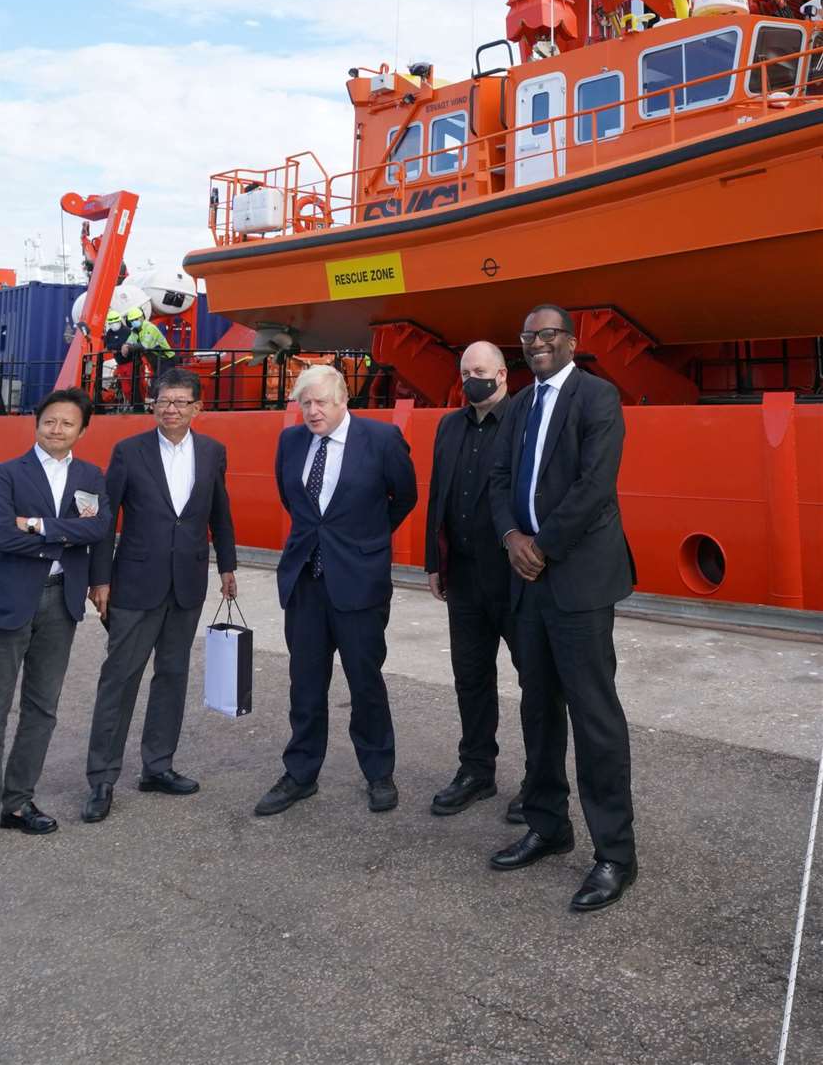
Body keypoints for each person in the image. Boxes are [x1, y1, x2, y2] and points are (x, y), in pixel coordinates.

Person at [488, 305, 637, 912]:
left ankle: (615, 856)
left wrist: (541, 546)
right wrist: (510, 540)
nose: (537, 344)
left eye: (548, 335)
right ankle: (549, 825)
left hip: (577, 580)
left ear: (570, 341)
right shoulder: (519, 406)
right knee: (538, 710)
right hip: (528, 580)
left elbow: (595, 487)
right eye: (528, 336)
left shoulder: (598, 398)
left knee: (594, 716)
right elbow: (500, 480)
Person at [0, 388, 111, 860]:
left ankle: (17, 801)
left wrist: (37, 526)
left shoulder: (90, 476)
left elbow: (98, 531)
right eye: (50, 421)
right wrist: (65, 537)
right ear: (37, 424)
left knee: (42, 708)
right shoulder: (7, 473)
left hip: (62, 602)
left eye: (67, 424)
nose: (57, 430)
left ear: (82, 430)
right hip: (9, 600)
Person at [255, 366, 417, 817]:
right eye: (305, 403)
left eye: (321, 401)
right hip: (306, 580)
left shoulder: (380, 441)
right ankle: (301, 773)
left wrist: (366, 540)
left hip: (358, 581)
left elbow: (403, 496)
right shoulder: (291, 442)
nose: (312, 411)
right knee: (304, 683)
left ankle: (379, 772)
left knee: (365, 681)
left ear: (344, 399)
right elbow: (296, 504)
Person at [82, 368, 237, 821]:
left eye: (181, 402)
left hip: (187, 583)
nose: (171, 409)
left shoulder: (212, 452)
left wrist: (227, 565)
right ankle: (102, 779)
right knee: (120, 678)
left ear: (197, 408)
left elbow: (220, 513)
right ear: (152, 405)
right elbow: (104, 519)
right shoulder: (129, 452)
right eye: (163, 401)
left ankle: (158, 766)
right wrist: (100, 579)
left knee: (172, 675)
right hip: (134, 584)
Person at [424, 341, 529, 823]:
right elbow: (438, 497)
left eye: (480, 371)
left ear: (504, 374)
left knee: (536, 680)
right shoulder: (448, 426)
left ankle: (539, 781)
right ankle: (476, 770)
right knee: (470, 677)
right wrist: (433, 563)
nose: (472, 379)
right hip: (463, 575)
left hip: (515, 577)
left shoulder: (524, 423)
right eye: (465, 372)